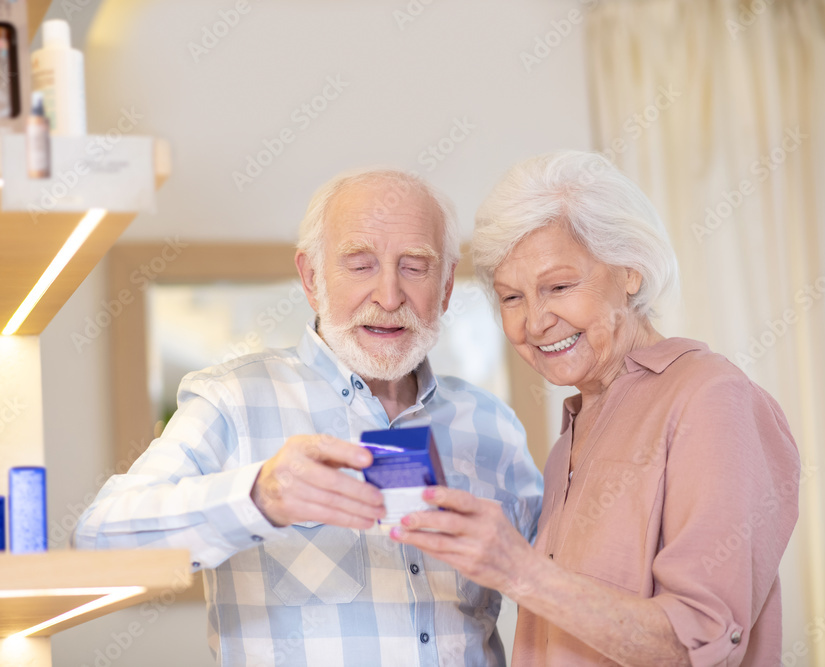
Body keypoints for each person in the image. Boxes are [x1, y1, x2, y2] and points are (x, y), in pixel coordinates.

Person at [75, 168, 544, 667]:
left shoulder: (492, 425)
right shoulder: (233, 398)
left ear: (447, 286)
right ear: (312, 278)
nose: (389, 296)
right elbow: (97, 540)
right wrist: (260, 496)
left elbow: (564, 583)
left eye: (414, 266)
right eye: (360, 265)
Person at [390, 151, 801, 666]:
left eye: (558, 287)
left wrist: (520, 569)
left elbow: (698, 642)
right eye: (512, 298)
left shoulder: (711, 397)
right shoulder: (570, 438)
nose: (536, 323)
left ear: (629, 271)